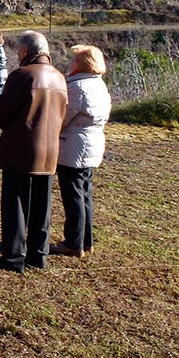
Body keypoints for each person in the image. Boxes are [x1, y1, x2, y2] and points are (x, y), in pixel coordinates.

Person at [0, 30, 68, 274]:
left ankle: (14, 257)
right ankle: (39, 254)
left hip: (21, 148)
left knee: (15, 205)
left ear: (25, 51)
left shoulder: (22, 76)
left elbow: (1, 113)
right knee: (41, 205)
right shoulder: (59, 77)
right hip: (50, 149)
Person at [52, 45, 112, 259]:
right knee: (84, 193)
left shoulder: (77, 87)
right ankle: (86, 241)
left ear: (80, 64)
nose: (70, 63)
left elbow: (63, 117)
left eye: (73, 59)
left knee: (73, 195)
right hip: (92, 142)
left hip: (74, 145)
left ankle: (73, 243)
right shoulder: (99, 85)